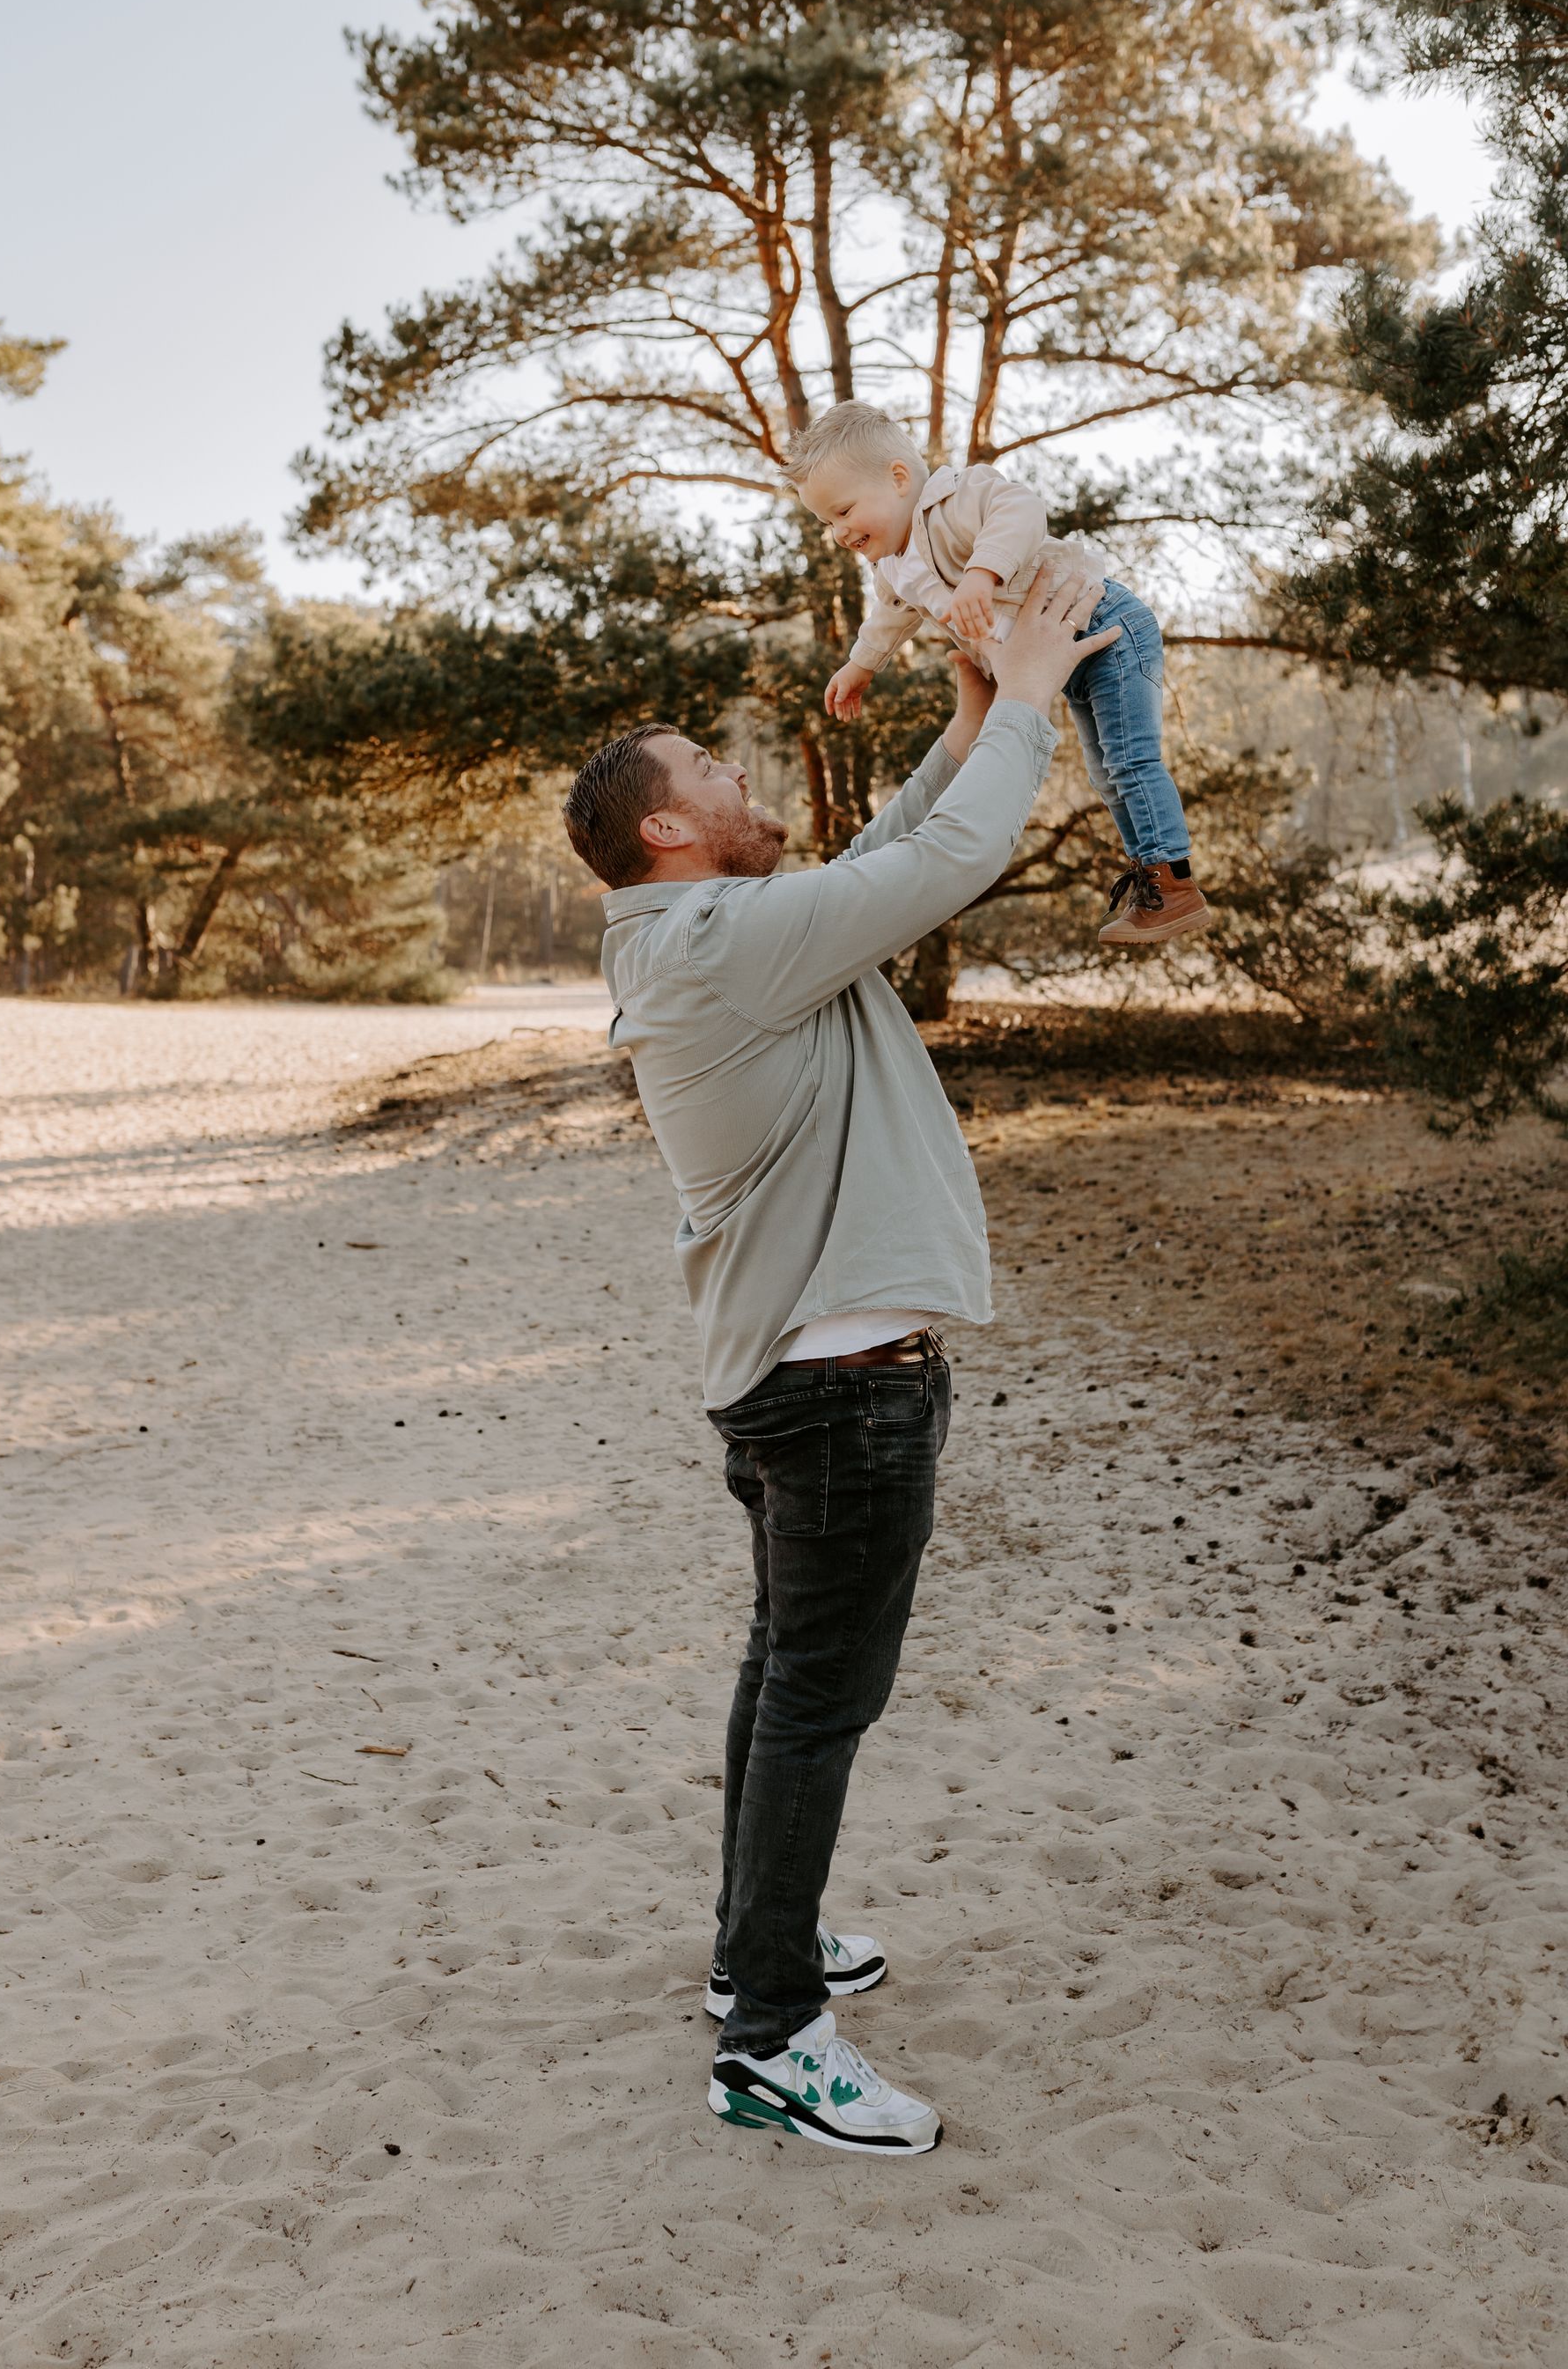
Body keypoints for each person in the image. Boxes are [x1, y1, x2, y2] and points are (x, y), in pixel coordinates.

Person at [561, 565, 1118, 2158]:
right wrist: (1030, 701)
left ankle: (762, 1945)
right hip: (839, 1394)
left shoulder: (699, 934)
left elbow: (882, 862)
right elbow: (941, 864)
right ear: (671, 828)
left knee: (783, 1676)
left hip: (796, 1383)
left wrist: (966, 712)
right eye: (714, 772)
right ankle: (773, 2037)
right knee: (817, 1699)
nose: (743, 778)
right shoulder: (722, 942)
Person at [786, 399, 1211, 947]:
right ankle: (1151, 879)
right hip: (1064, 661)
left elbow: (1021, 511)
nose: (838, 533)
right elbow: (889, 618)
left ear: (898, 479)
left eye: (844, 511)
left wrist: (982, 574)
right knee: (1106, 773)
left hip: (1105, 624)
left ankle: (1174, 883)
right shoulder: (892, 567)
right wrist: (860, 665)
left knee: (1130, 760)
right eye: (827, 523)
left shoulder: (955, 499)